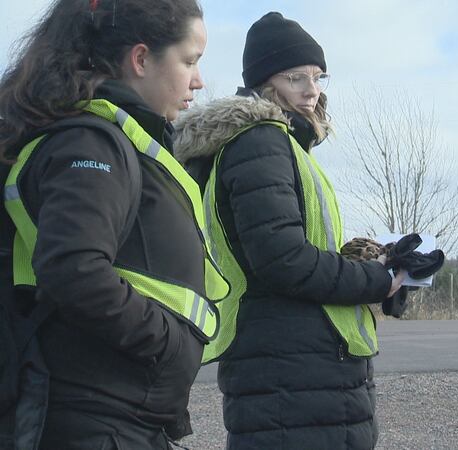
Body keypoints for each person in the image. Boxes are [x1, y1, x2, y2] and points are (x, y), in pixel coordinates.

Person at [0, 0, 227, 448]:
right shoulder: (90, 142)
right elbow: (73, 270)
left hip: (119, 419)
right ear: (141, 59)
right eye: (190, 61)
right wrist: (168, 345)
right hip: (94, 422)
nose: (198, 81)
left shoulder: (119, 139)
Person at [174, 12, 403, 450]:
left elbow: (291, 246)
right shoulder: (261, 141)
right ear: (265, 82)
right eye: (295, 77)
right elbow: (283, 261)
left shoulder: (283, 144)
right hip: (290, 366)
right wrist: (377, 280)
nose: (311, 89)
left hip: (298, 363)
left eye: (318, 76)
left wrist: (366, 259)